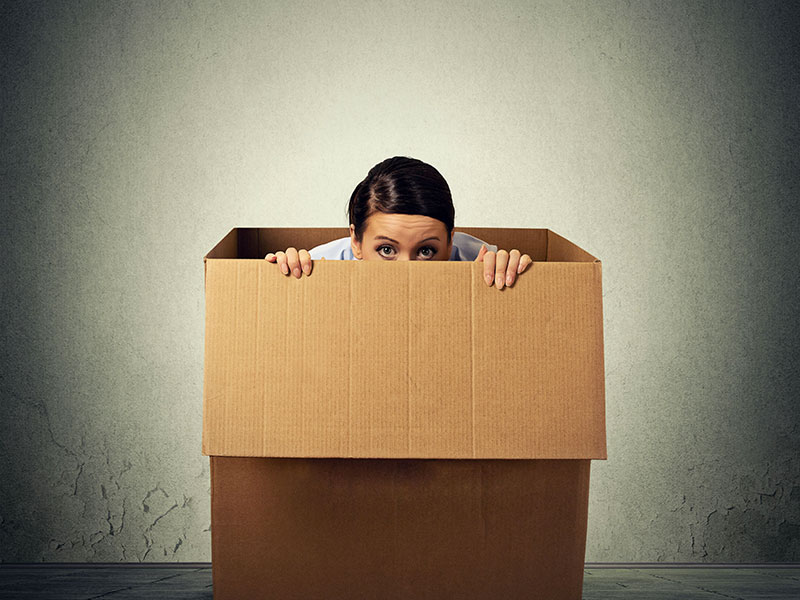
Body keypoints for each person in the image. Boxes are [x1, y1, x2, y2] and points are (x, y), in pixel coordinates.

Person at [265, 157, 532, 290]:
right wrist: (287, 276)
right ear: (356, 242)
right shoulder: (320, 266)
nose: (407, 273)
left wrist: (508, 282)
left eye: (426, 251)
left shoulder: (479, 262)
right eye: (387, 250)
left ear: (450, 242)